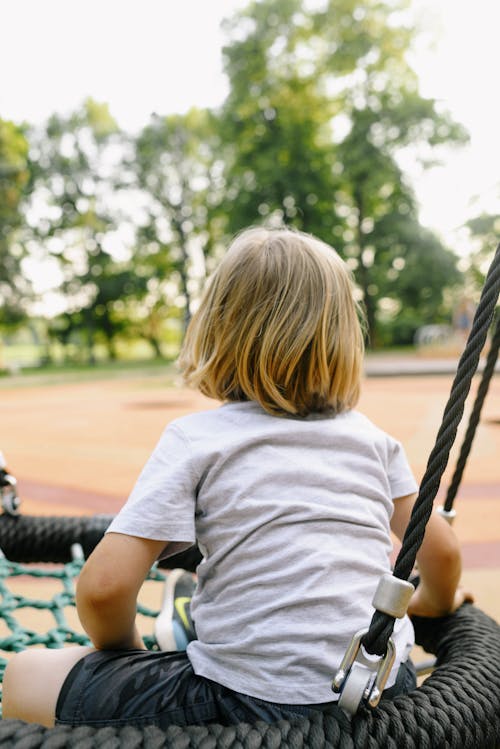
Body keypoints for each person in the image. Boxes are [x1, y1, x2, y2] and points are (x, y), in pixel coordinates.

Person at [2, 227, 470, 729]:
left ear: (217, 331)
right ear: (345, 338)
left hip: (241, 700)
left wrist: (130, 659)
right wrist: (430, 603)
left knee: (24, 676)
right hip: (380, 691)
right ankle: (195, 627)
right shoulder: (374, 441)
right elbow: (440, 552)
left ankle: (188, 634)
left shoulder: (197, 438)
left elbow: (103, 589)